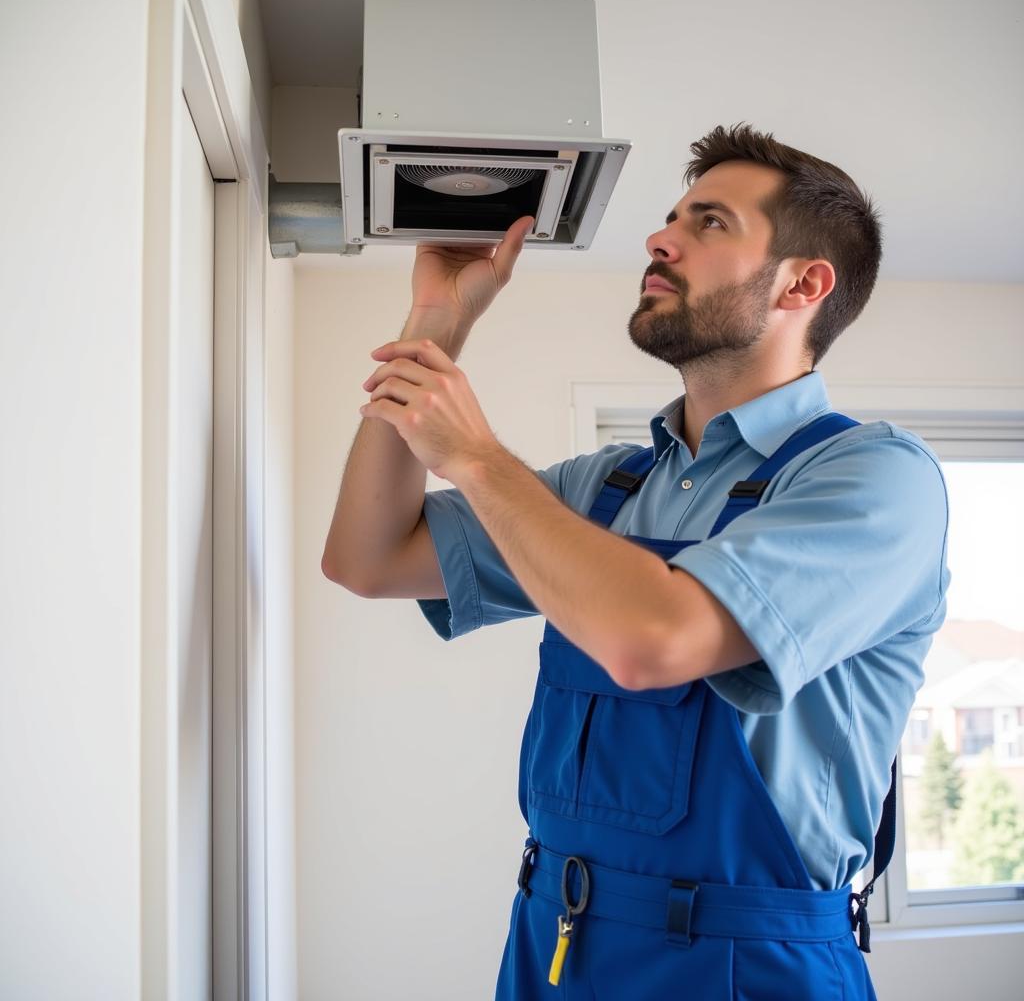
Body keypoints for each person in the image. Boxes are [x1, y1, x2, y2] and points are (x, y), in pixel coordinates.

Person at [321, 122, 951, 1000]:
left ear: (803, 284)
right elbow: (368, 556)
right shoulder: (610, 485)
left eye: (711, 223)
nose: (661, 239)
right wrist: (435, 330)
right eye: (670, 219)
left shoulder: (874, 478)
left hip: (747, 963)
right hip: (554, 943)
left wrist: (477, 457)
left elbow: (653, 639)